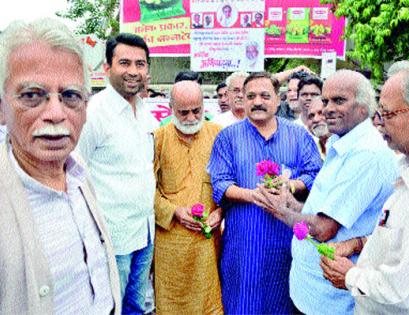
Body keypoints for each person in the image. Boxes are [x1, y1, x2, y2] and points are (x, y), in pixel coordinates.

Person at [253, 70, 399, 315]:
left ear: (364, 107)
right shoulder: (340, 144)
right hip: (312, 292)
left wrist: (279, 210)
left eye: (339, 101)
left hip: (330, 302)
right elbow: (318, 211)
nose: (328, 108)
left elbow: (323, 229)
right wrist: (289, 202)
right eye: (326, 99)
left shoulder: (366, 155)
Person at [0, 18, 120, 314]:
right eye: (32, 95)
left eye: (70, 96)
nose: (56, 113)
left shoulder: (78, 171)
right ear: (2, 108)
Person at [208, 72, 322, 314]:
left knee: (284, 304)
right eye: (251, 96)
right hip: (244, 244)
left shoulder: (299, 135)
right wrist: (253, 196)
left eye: (264, 96)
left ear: (278, 100)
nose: (257, 101)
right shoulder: (228, 137)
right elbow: (219, 184)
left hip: (286, 243)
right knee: (241, 305)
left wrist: (290, 186)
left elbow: (315, 175)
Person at [320, 69, 409, 314]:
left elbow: (402, 295)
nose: (379, 122)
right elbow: (398, 243)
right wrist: (357, 244)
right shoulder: (404, 171)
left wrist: (350, 276)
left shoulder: (374, 158)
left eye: (388, 113)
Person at [77, 33, 158, 314]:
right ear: (107, 68)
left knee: (136, 305)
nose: (134, 71)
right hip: (112, 236)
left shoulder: (145, 111)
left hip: (145, 231)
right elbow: (75, 174)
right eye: (125, 62)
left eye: (140, 64)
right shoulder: (93, 114)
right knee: (111, 305)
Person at [154, 81, 223, 314]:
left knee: (208, 303)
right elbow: (145, 190)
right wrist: (174, 211)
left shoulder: (217, 134)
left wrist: (221, 211)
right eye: (183, 112)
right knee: (172, 304)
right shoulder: (158, 138)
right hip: (171, 243)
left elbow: (230, 182)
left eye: (197, 111)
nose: (191, 118)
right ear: (170, 108)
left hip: (207, 242)